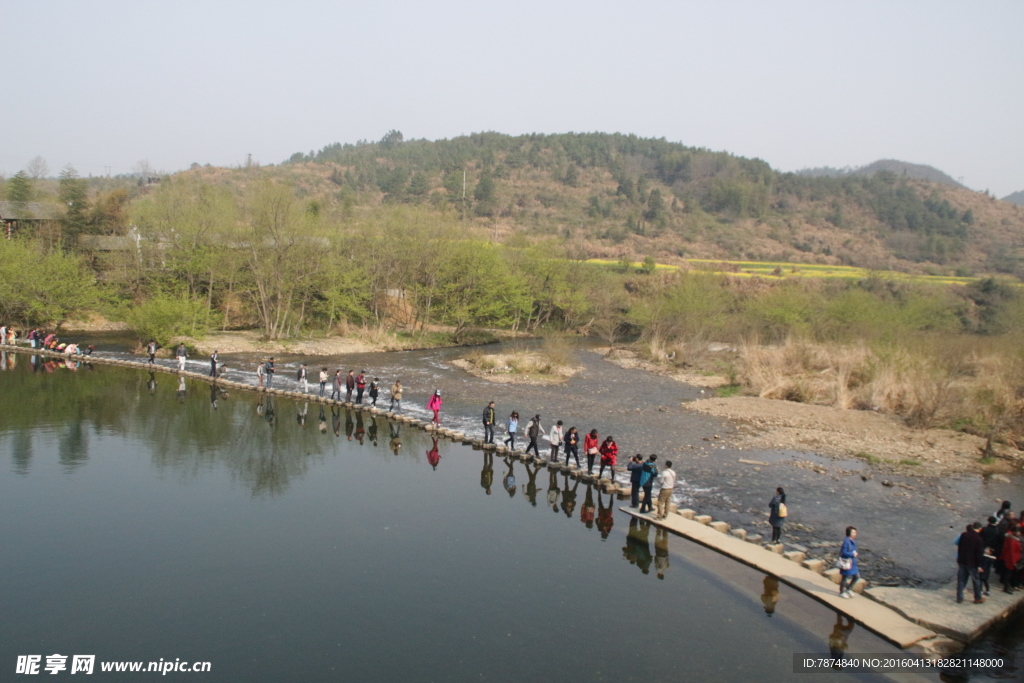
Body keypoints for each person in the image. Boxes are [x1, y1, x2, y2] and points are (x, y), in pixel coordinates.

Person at [956, 522, 986, 603]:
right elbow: (979, 554)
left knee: (961, 580)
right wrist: (980, 565)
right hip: (973, 563)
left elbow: (960, 547)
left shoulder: (964, 535)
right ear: (980, 529)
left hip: (962, 561)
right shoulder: (979, 539)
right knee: (976, 580)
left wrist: (959, 558)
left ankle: (959, 597)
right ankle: (977, 597)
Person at [999, 524, 1021, 593]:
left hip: (1010, 558)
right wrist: (1014, 562)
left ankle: (1008, 586)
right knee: (1008, 574)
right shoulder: (1012, 540)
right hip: (1011, 560)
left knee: (1009, 574)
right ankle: (1006, 587)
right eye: (1018, 532)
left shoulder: (1010, 538)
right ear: (1014, 532)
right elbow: (1012, 552)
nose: (1019, 533)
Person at [838, 527, 860, 598]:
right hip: (847, 562)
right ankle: (842, 592)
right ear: (849, 533)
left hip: (852, 563)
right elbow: (843, 552)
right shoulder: (846, 542)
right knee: (845, 577)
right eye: (853, 532)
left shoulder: (852, 541)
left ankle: (849, 589)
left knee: (857, 576)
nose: (855, 534)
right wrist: (853, 554)